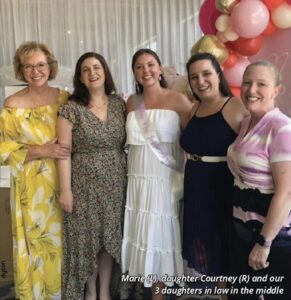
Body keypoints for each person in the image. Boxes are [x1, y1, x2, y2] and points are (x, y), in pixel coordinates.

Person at [0, 41, 70, 299]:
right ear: (20, 70)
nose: (35, 70)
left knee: (61, 245)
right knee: (34, 247)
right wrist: (43, 150)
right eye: (28, 66)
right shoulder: (12, 104)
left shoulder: (64, 98)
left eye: (40, 64)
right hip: (30, 190)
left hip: (62, 184)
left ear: (50, 67)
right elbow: (3, 149)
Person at [121, 48, 192, 300]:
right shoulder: (131, 102)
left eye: (150, 64)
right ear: (134, 73)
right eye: (139, 66)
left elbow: (194, 138)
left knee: (159, 231)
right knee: (142, 232)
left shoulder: (178, 100)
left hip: (165, 177)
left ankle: (159, 295)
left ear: (160, 68)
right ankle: (148, 290)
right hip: (137, 176)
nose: (146, 70)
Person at [57, 52, 127, 300]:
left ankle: (106, 290)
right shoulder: (70, 109)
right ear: (80, 78)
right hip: (82, 184)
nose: (92, 73)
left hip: (116, 182)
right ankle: (91, 290)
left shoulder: (120, 104)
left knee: (109, 238)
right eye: (86, 70)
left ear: (105, 71)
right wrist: (65, 190)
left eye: (96, 67)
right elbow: (63, 153)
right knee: (86, 240)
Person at [179, 53, 247, 286]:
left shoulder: (235, 105)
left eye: (206, 73)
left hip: (222, 187)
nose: (200, 81)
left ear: (219, 74)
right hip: (195, 186)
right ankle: (220, 293)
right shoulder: (193, 108)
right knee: (206, 245)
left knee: (224, 246)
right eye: (194, 77)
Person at [227, 61, 291, 299]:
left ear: (276, 90)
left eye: (261, 84)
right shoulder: (246, 123)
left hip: (272, 240)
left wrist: (264, 244)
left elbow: (286, 193)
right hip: (243, 232)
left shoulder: (282, 128)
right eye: (247, 82)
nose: (251, 90)